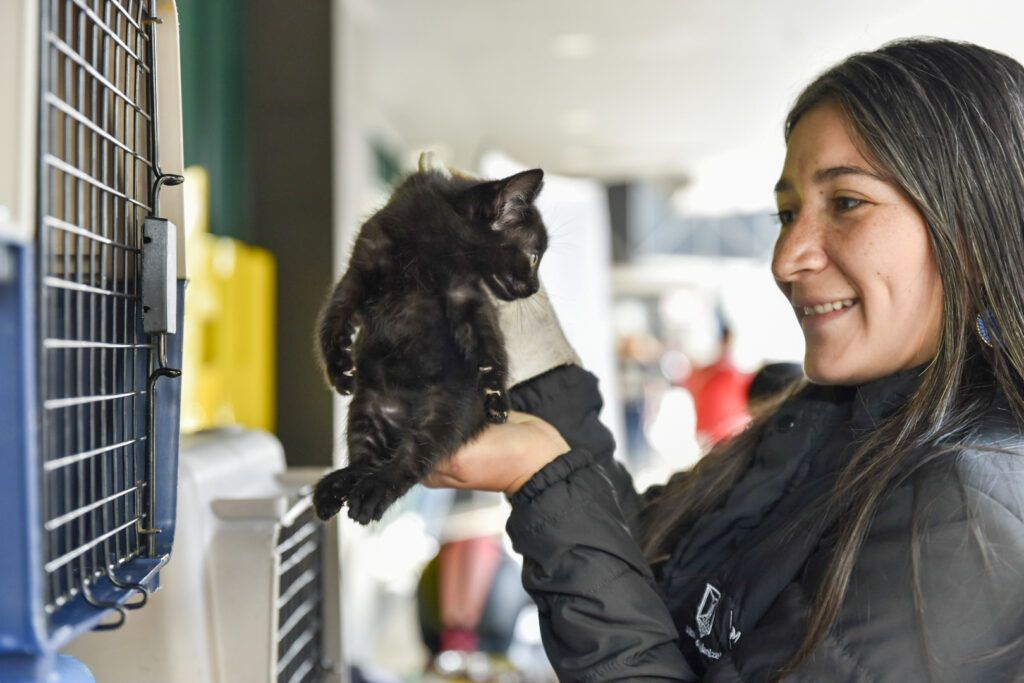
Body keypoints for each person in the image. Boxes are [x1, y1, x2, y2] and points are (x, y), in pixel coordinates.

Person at [424, 39, 1024, 681]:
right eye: (787, 213)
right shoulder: (828, 423)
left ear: (971, 230)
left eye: (846, 203)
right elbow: (642, 565)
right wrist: (519, 324)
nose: (786, 258)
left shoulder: (969, 508)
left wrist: (537, 471)